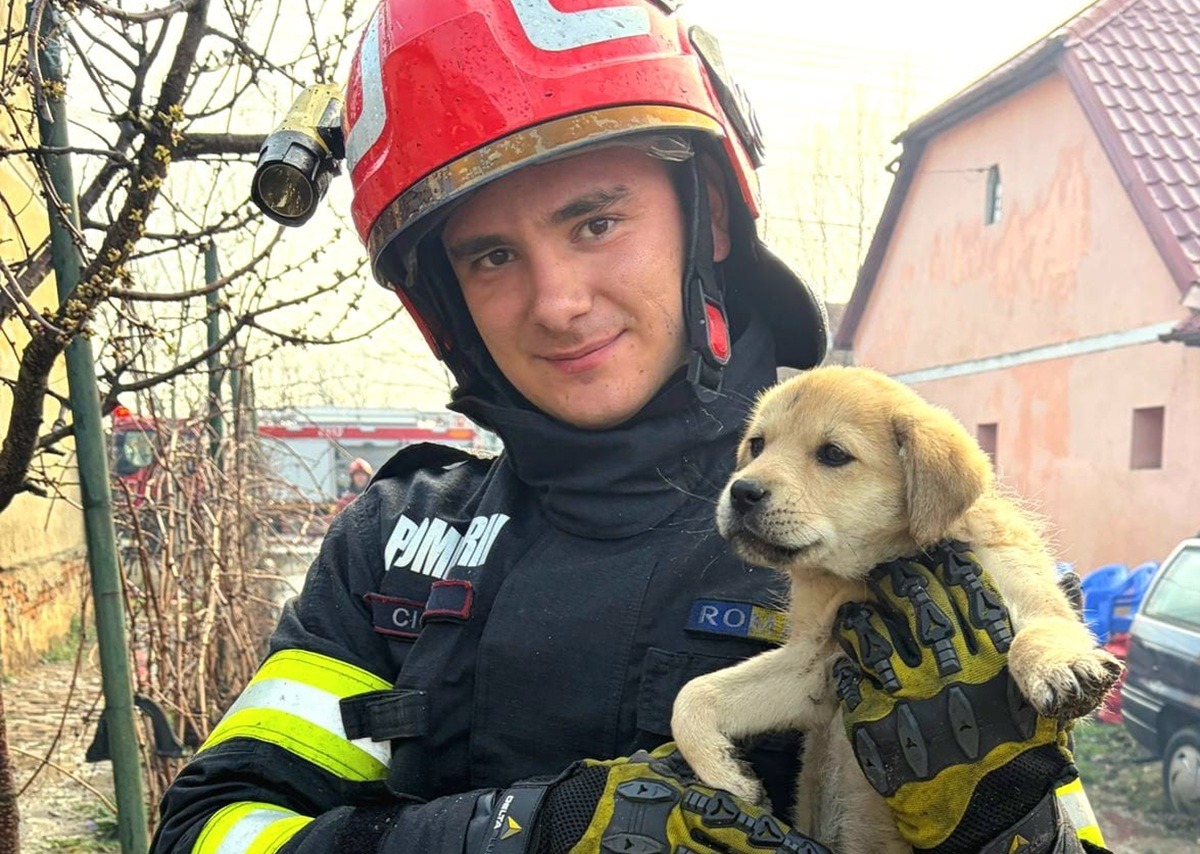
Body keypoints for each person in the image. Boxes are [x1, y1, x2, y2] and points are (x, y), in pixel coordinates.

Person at [152, 2, 1110, 852]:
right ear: (445, 297)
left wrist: (1001, 825)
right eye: (491, 256)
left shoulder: (882, 524)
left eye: (596, 223)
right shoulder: (396, 544)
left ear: (710, 220)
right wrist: (523, 835)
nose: (557, 303)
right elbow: (213, 830)